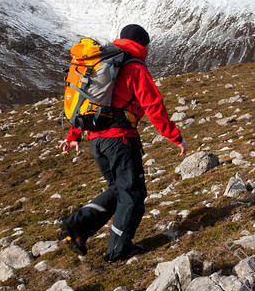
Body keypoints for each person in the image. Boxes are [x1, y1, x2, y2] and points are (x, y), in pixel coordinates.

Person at [59, 24, 187, 262]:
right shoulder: (134, 67)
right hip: (120, 140)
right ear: (143, 44)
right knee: (133, 194)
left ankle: (78, 228)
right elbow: (153, 105)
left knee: (119, 190)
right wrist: (175, 136)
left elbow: (88, 100)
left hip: (96, 140)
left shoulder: (104, 63)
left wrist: (74, 134)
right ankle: (118, 249)